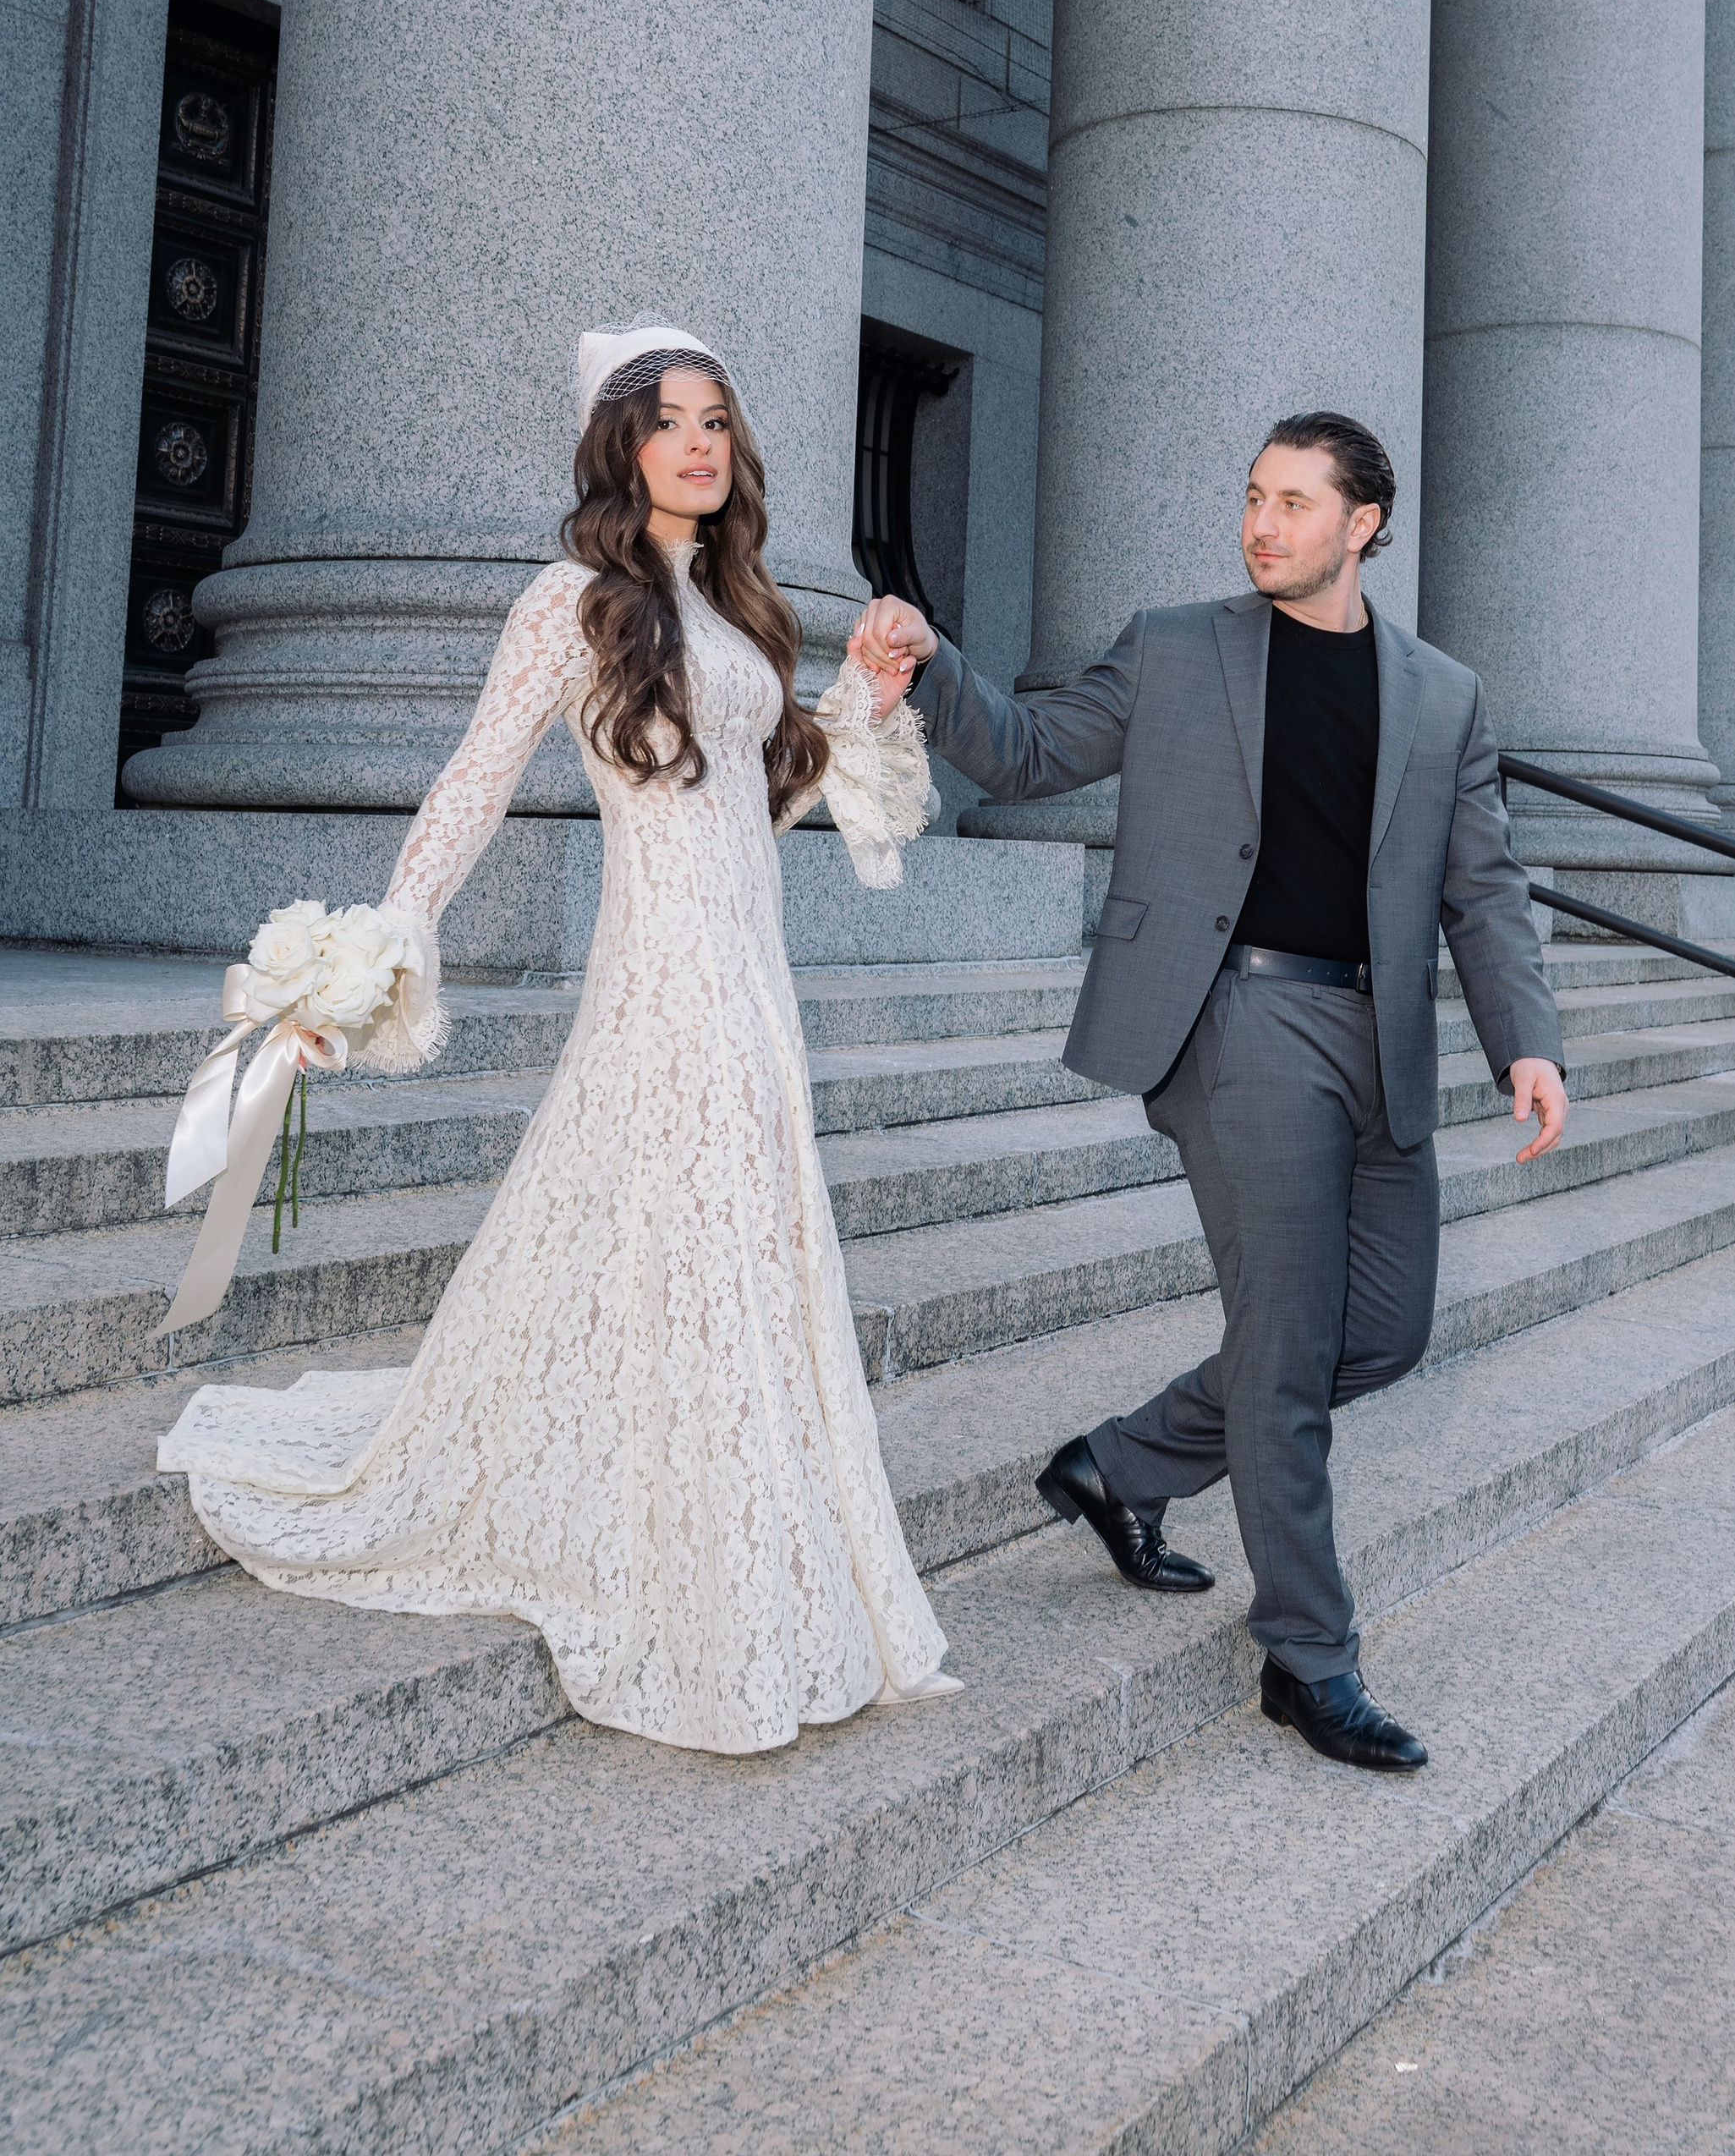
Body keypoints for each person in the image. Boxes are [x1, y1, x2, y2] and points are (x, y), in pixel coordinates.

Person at [159, 328, 954, 1756]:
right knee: (688, 1235)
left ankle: (740, 1543)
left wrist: (862, 694)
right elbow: (477, 772)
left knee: (724, 1249)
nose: (700, 444)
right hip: (661, 973)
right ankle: (683, 1567)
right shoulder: (570, 600)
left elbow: (751, 807)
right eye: (669, 423)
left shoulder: (734, 605)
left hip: (751, 976)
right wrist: (383, 937)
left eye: (717, 420)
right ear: (620, 446)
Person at [852, 412, 1565, 1775]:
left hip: (1381, 1040)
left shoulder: (1444, 694)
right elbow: (1027, 749)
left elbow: (1485, 888)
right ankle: (1310, 1655)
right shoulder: (1179, 646)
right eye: (1254, 495)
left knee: (1386, 1330)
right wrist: (932, 662)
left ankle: (1121, 1464)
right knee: (1290, 1348)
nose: (1263, 522)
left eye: (1296, 502)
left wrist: (1525, 1040)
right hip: (1239, 1019)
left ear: (1364, 524)